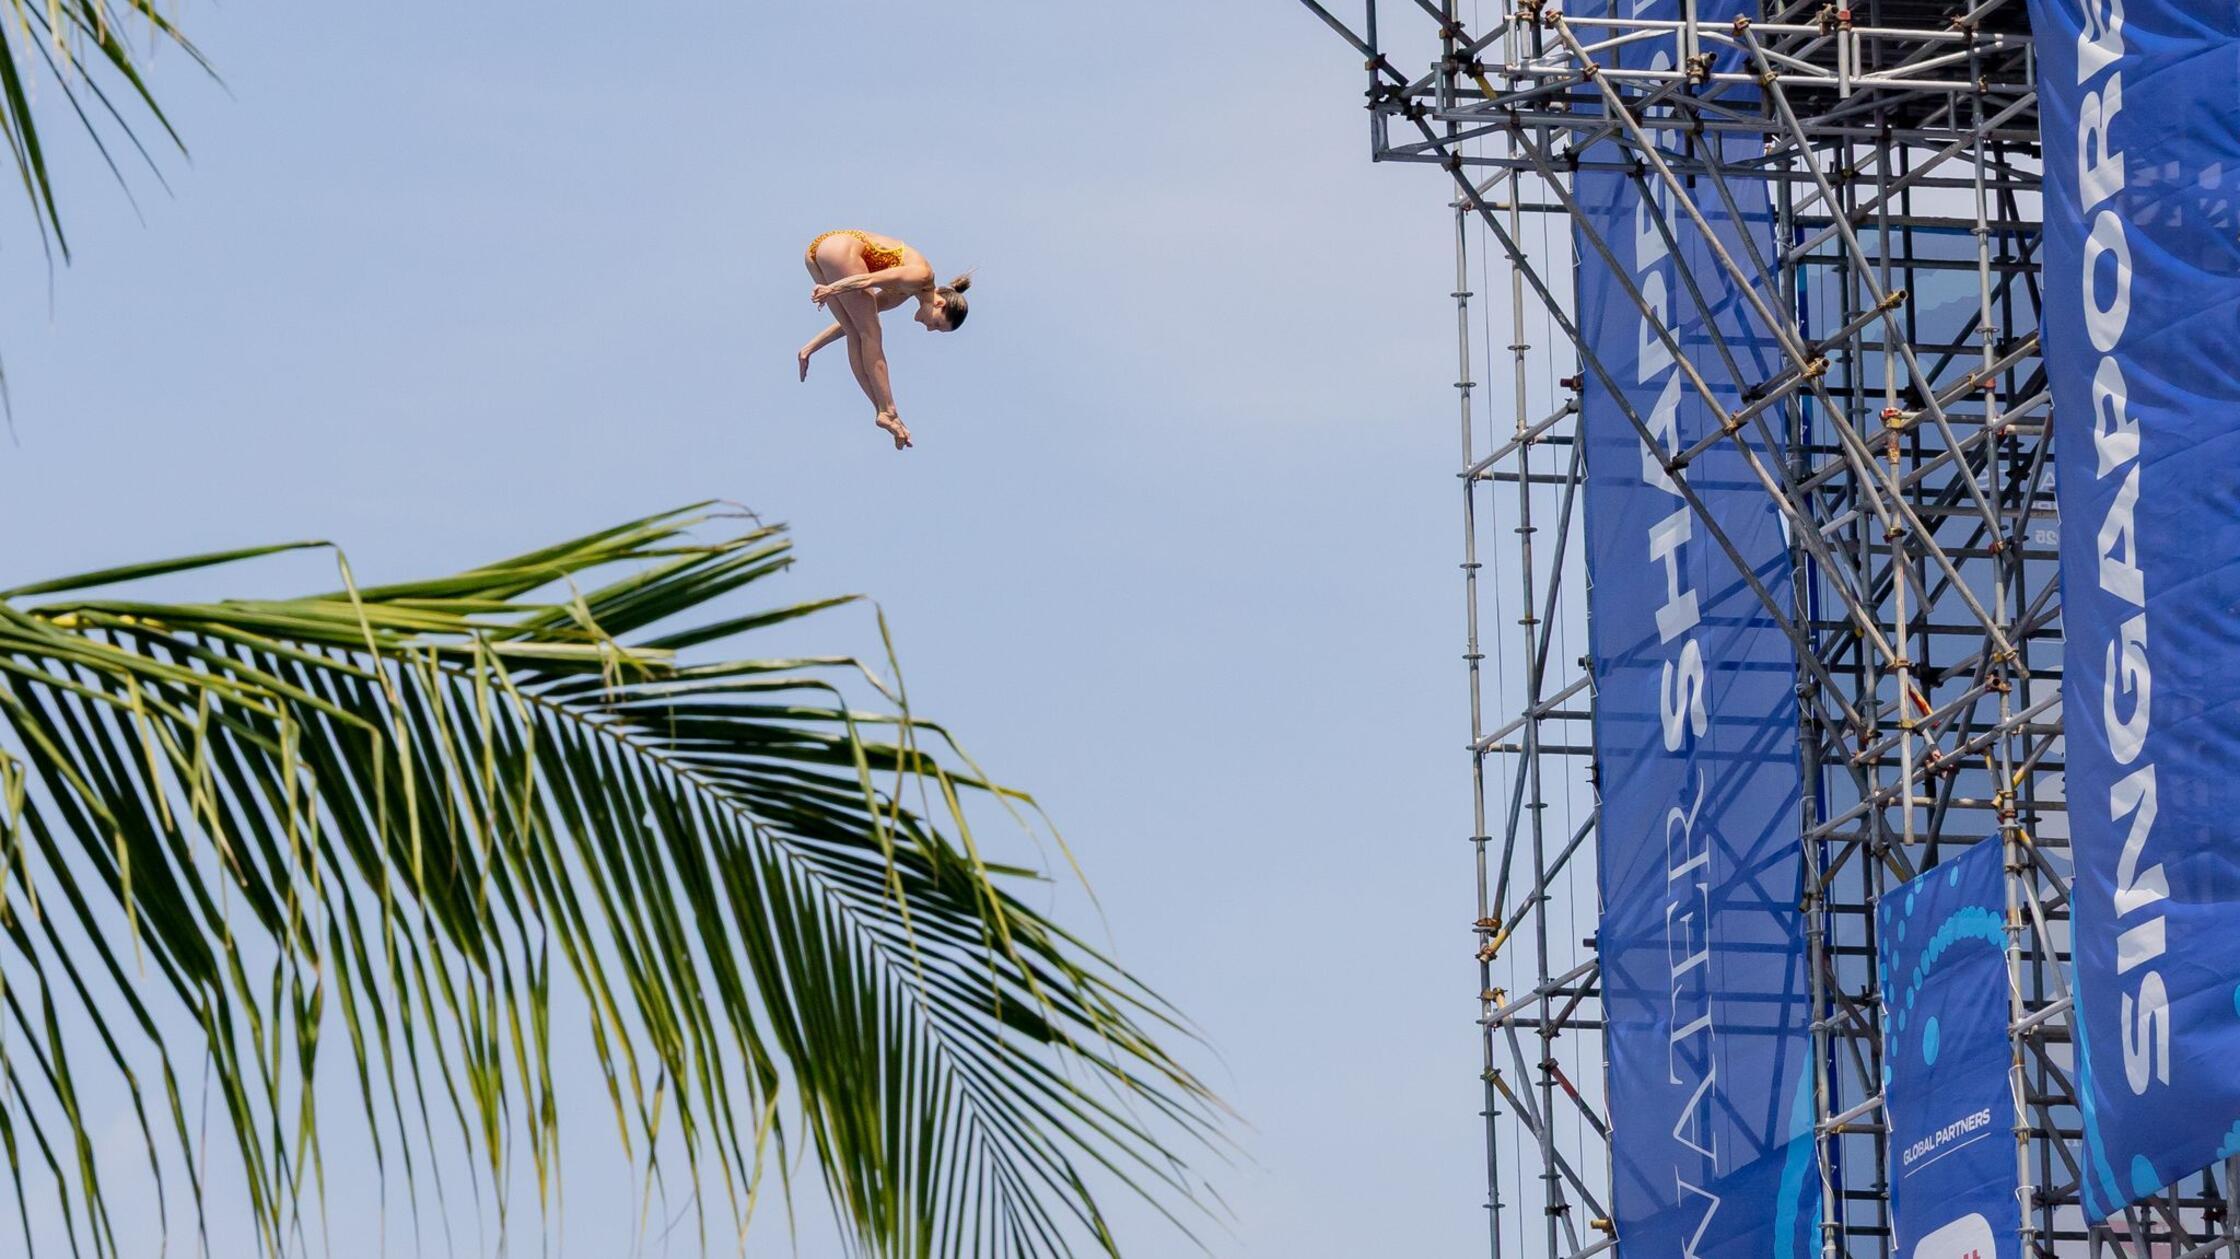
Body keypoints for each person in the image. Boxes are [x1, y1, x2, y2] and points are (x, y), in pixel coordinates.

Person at [798, 229, 971, 449]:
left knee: (856, 330)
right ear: (939, 304)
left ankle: (883, 411)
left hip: (818, 252)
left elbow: (852, 321)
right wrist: (832, 289)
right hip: (839, 248)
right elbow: (868, 279)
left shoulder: (900, 294)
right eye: (937, 324)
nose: (929, 329)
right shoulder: (923, 276)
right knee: (871, 333)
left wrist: (810, 347)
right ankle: (889, 411)